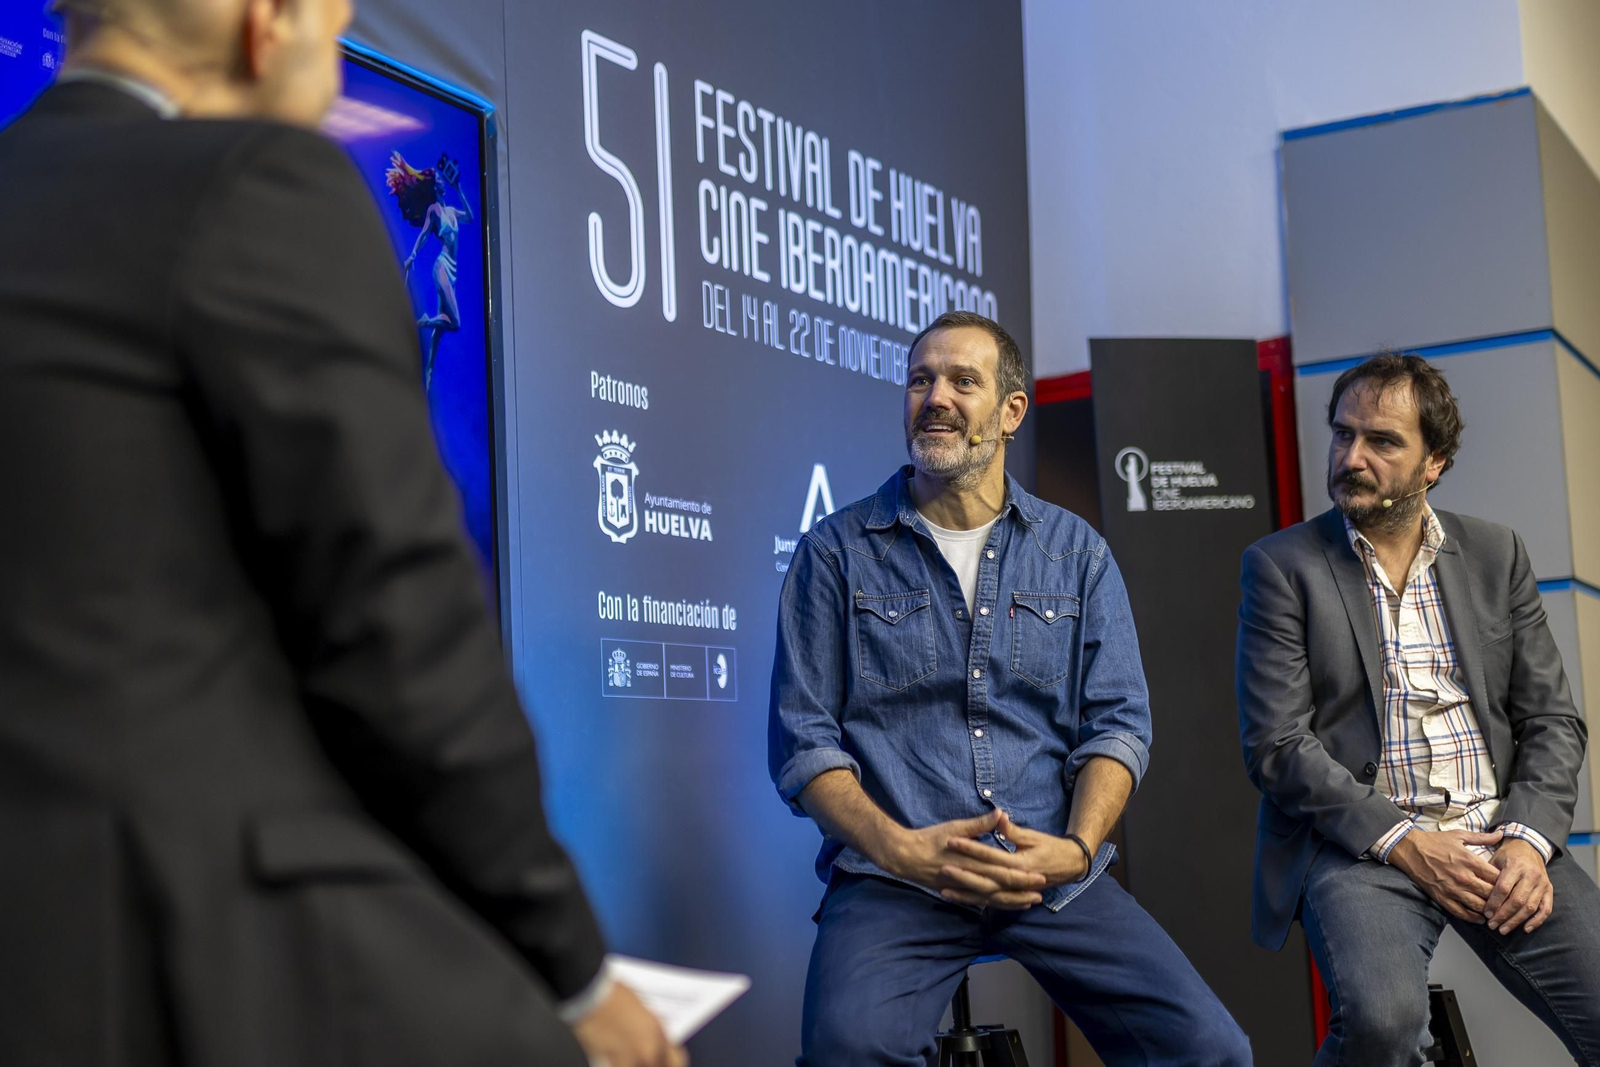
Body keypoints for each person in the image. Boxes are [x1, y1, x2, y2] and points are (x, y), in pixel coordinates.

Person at [0, 2, 681, 1065]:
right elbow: (404, 635)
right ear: (268, 24)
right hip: (180, 944)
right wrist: (575, 971)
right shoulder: (260, 184)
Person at [769, 310, 1251, 1065]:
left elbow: (1119, 723)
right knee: (846, 1048)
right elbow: (803, 744)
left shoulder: (1076, 553)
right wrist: (899, 847)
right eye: (921, 379)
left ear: (1011, 410)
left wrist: (1077, 846)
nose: (936, 397)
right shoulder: (835, 553)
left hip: (1047, 874)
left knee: (1209, 1047)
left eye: (963, 380)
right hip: (893, 877)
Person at [1236, 353, 1600, 1065]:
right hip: (1363, 845)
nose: (1352, 457)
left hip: (1497, 835)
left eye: (1382, 441)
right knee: (1383, 1022)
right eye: (1343, 434)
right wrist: (1403, 840)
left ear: (1434, 461)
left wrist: (1528, 837)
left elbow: (1552, 719)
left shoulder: (1496, 553)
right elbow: (1277, 744)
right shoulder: (1282, 566)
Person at [389, 150, 470, 390]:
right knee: (454, 323)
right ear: (435, 187)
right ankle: (423, 321)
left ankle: (427, 373)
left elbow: (471, 217)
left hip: (453, 271)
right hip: (442, 266)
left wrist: (459, 188)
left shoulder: (452, 211)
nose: (443, 182)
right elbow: (424, 235)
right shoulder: (434, 210)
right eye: (441, 181)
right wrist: (412, 255)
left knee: (440, 332)